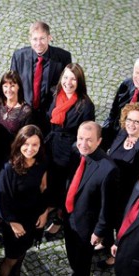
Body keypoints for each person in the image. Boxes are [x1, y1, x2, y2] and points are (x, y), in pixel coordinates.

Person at [56, 121, 119, 276]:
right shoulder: (75, 151)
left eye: (89, 140)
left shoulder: (108, 169)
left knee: (82, 265)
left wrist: (99, 232)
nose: (83, 143)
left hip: (87, 228)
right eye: (81, 138)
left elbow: (108, 207)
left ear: (99, 141)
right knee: (72, 256)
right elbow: (68, 181)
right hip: (69, 217)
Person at [0, 125, 51, 276]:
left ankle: (17, 275)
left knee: (24, 249)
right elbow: (1, 196)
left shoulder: (41, 163)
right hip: (14, 219)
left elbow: (43, 187)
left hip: (32, 216)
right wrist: (12, 222)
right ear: (19, 144)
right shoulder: (10, 167)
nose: (30, 149)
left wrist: (44, 212)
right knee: (10, 257)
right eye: (26, 144)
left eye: (35, 144)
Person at [97, 103, 139, 269]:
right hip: (111, 188)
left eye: (137, 122)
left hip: (126, 195)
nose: (132, 124)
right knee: (106, 217)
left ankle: (115, 255)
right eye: (129, 119)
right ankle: (106, 243)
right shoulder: (123, 134)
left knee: (119, 225)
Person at [44, 63, 95, 220]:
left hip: (69, 149)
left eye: (73, 79)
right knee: (50, 177)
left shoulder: (85, 105)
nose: (68, 82)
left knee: (63, 181)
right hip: (51, 143)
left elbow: (86, 131)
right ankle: (49, 204)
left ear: (79, 82)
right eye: (65, 77)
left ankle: (60, 212)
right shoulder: (54, 94)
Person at [10, 21, 72, 135]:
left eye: (42, 38)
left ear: (49, 38)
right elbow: (13, 84)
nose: (38, 43)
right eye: (35, 39)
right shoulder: (19, 56)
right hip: (25, 111)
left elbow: (65, 86)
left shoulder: (63, 57)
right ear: (30, 39)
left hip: (49, 112)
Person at [0, 70, 32, 180]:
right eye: (5, 86)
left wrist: (16, 158)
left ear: (18, 87)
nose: (8, 90)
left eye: (12, 86)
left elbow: (24, 139)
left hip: (11, 155)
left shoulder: (25, 111)